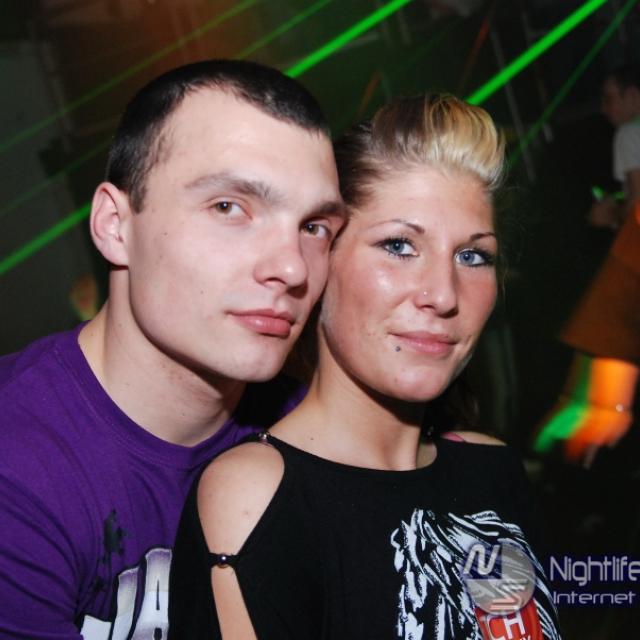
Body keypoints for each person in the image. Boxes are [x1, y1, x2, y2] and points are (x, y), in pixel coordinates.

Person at [169, 94, 561, 639]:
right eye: (399, 246)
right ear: (319, 261)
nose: (444, 294)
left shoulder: (493, 471)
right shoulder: (259, 501)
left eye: (472, 256)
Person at [0, 59, 345, 638]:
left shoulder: (314, 437)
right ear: (115, 225)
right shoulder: (19, 467)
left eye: (314, 227)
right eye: (229, 207)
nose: (292, 268)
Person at [534, 64, 640, 465]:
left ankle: (553, 462)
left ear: (634, 96)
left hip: (630, 269)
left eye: (611, 98)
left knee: (592, 376)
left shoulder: (629, 134)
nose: (605, 108)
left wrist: (606, 215)